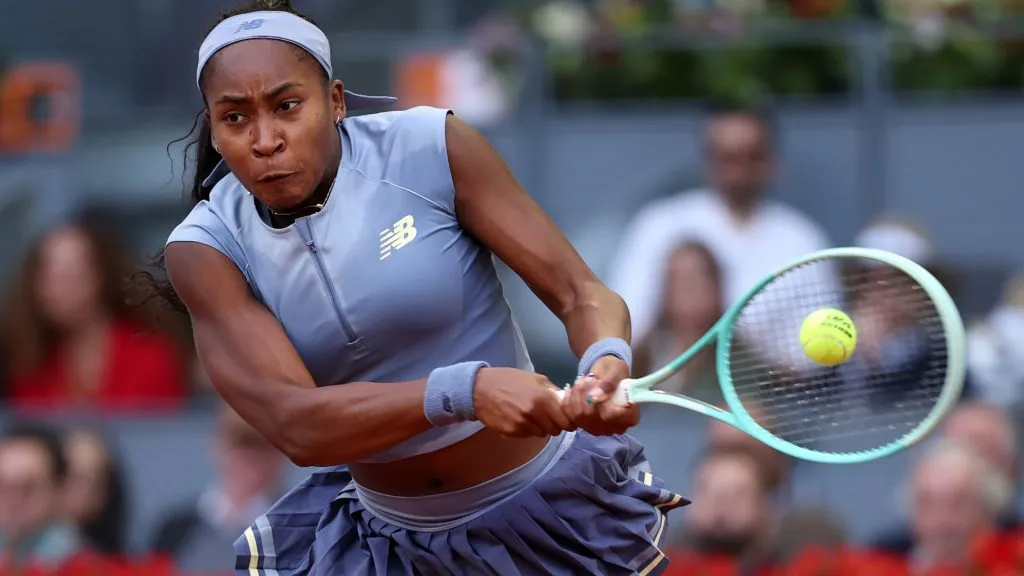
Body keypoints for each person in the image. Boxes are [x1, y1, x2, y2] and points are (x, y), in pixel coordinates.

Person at [145, 1, 687, 574]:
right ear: (213, 123)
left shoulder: (430, 146)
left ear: (334, 101)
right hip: (388, 546)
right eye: (235, 118)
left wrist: (605, 357)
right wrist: (466, 392)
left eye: (287, 106)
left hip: (547, 513)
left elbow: (581, 293)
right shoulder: (206, 247)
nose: (265, 140)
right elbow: (297, 423)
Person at [2, 219, 187, 412]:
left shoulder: (150, 357)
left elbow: (164, 434)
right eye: (46, 275)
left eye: (69, 275)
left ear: (100, 277)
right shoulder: (28, 363)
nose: (53, 289)